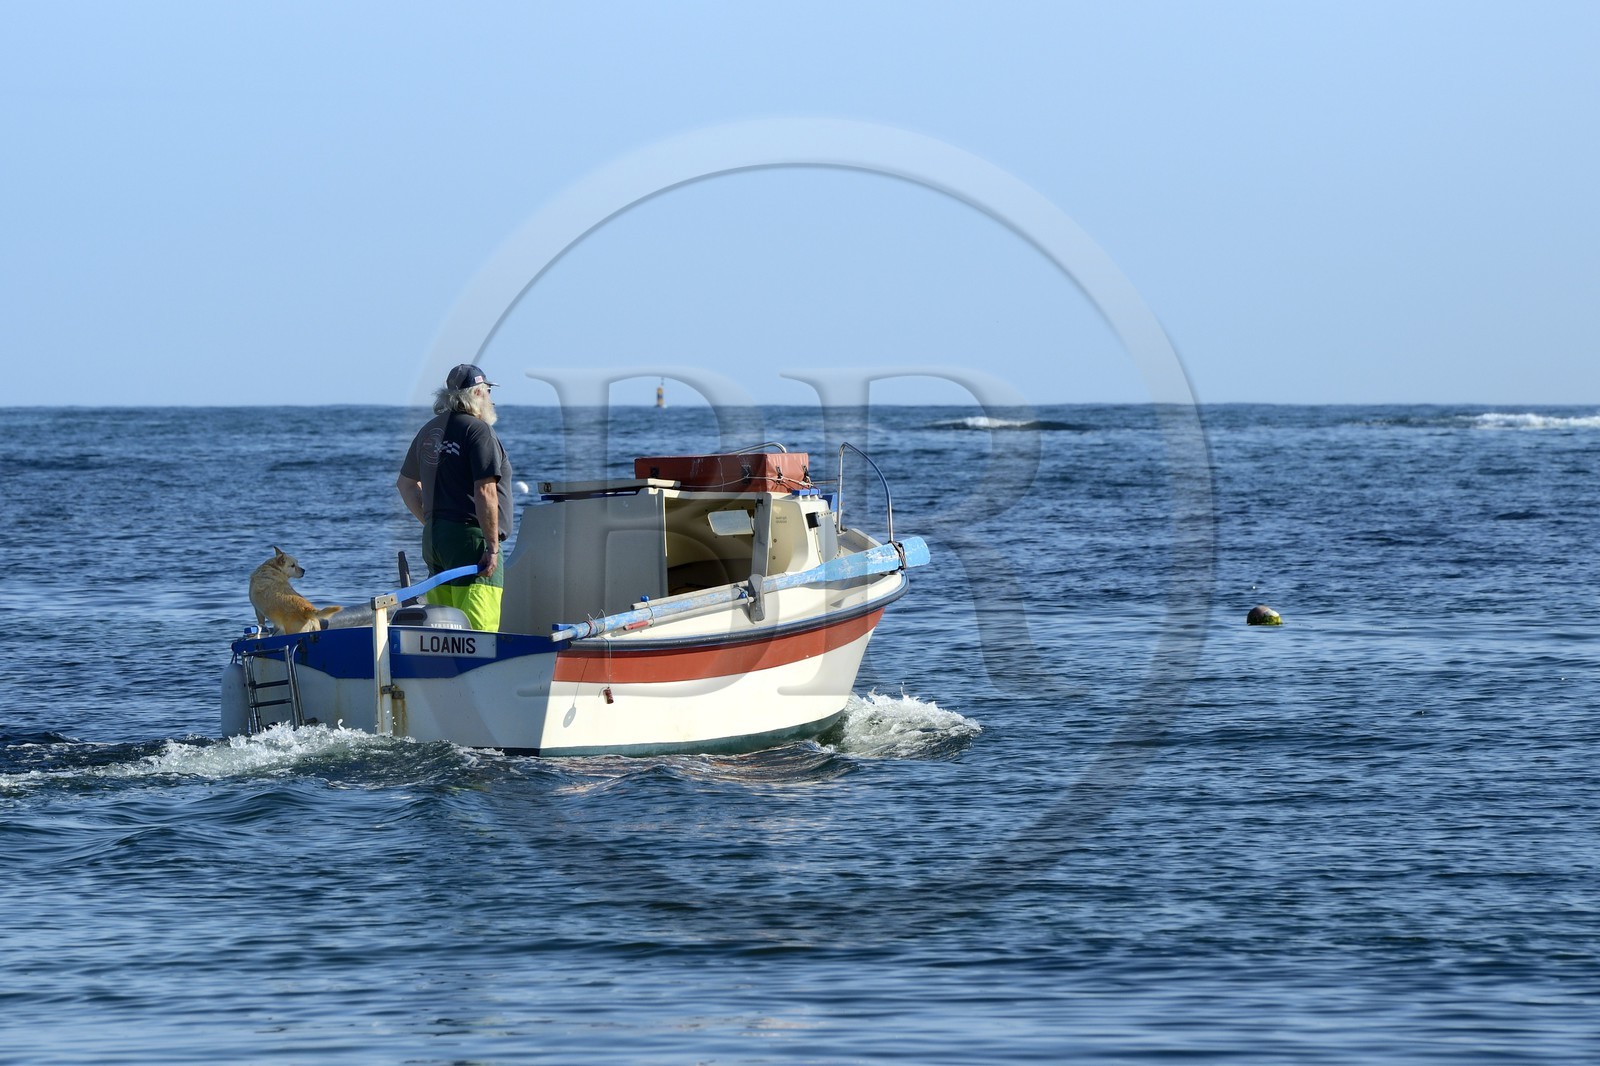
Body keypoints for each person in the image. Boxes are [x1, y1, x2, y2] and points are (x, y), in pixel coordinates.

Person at [396, 363, 513, 632]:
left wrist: (431, 521)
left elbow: (405, 484)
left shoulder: (429, 431)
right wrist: (492, 547)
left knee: (445, 626)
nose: (491, 399)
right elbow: (485, 491)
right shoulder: (478, 431)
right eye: (487, 391)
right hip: (470, 540)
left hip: (436, 539)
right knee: (478, 628)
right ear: (477, 394)